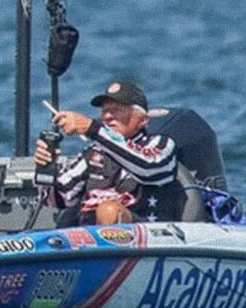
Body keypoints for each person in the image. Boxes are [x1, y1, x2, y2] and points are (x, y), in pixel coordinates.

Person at [33, 80, 185, 225]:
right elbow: (61, 199)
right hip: (89, 239)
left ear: (143, 120)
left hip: (144, 237)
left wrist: (92, 129)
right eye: (104, 111)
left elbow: (148, 168)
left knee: (109, 211)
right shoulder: (94, 153)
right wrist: (47, 167)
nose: (107, 116)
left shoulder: (161, 145)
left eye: (117, 110)